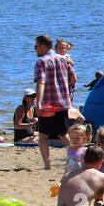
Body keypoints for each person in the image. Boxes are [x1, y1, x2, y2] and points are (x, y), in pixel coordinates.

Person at [33, 34, 75, 170]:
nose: (35, 49)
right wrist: (67, 89)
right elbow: (73, 78)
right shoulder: (63, 59)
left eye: (36, 46)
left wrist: (38, 103)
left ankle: (47, 165)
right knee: (63, 133)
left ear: (43, 46)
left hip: (48, 105)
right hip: (63, 102)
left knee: (43, 136)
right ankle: (78, 157)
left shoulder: (41, 62)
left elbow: (41, 82)